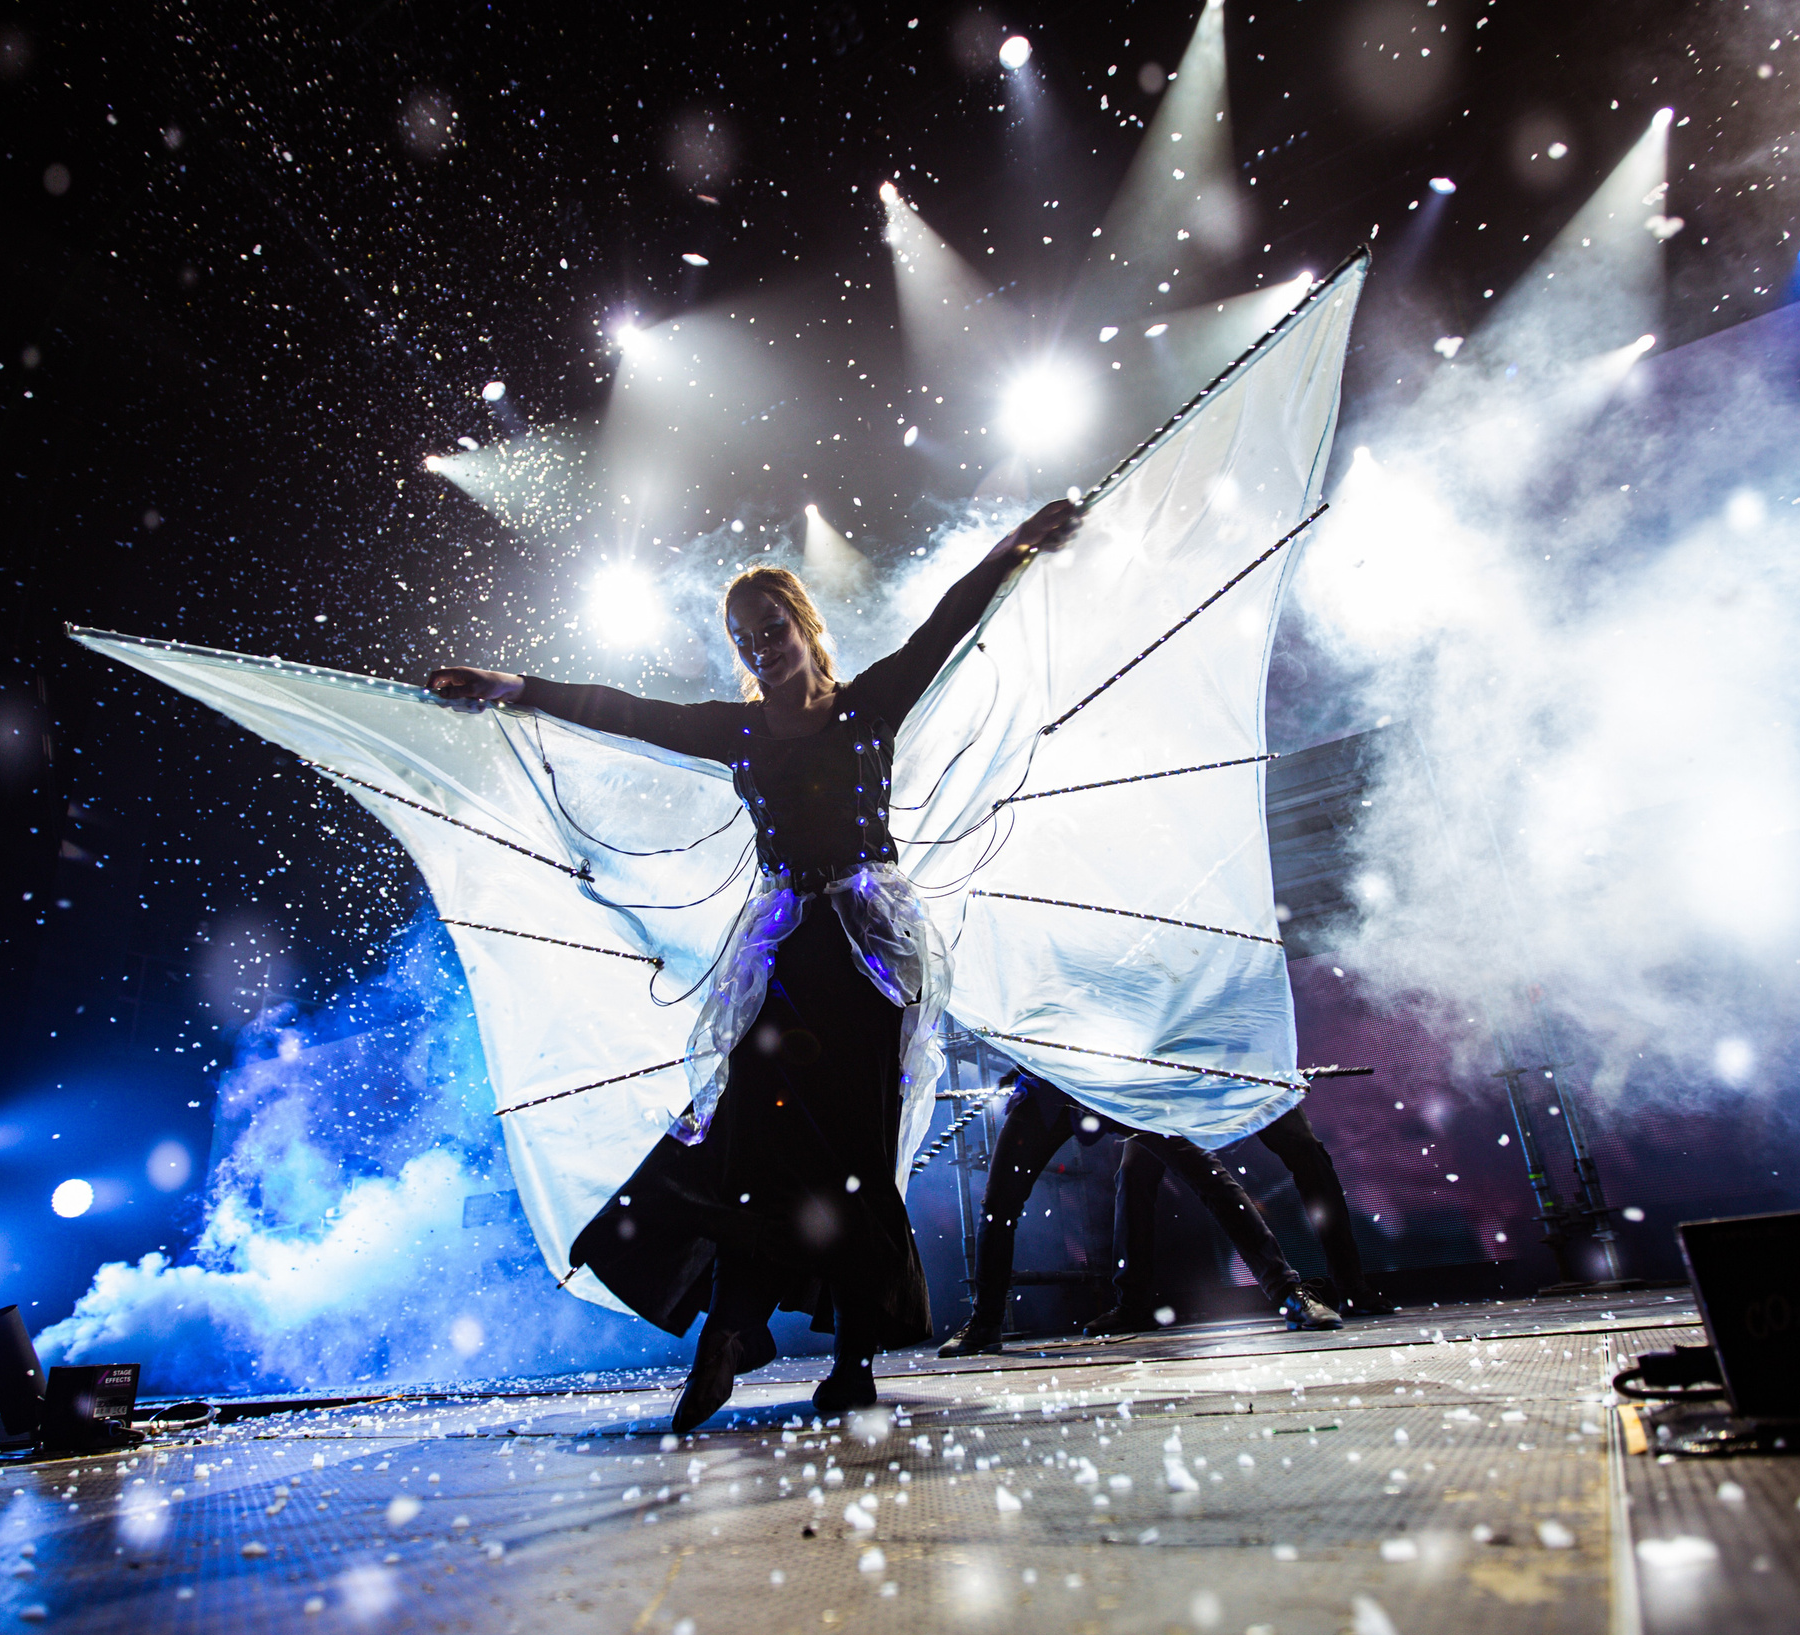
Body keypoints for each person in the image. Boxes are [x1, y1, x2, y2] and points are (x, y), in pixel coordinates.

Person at [425, 499, 1081, 1430]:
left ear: (806, 627)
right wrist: (513, 684)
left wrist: (1014, 548)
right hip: (785, 957)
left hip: (869, 962)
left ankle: (850, 1362)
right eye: (744, 639)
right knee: (748, 1138)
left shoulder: (869, 704)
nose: (761, 648)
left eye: (772, 629)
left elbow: (948, 621)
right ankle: (730, 1331)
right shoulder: (739, 735)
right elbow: (622, 712)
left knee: (856, 1155)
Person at [937, 1072, 1341, 1357]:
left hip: (1124, 1081)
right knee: (999, 1204)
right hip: (1050, 1085)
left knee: (1209, 1178)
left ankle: (1290, 1293)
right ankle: (985, 1323)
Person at [1100, 1104, 1394, 1331]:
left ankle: (1352, 1288)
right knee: (1135, 1172)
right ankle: (1132, 1305)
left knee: (1304, 1148)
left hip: (1244, 1066)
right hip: (1169, 1079)